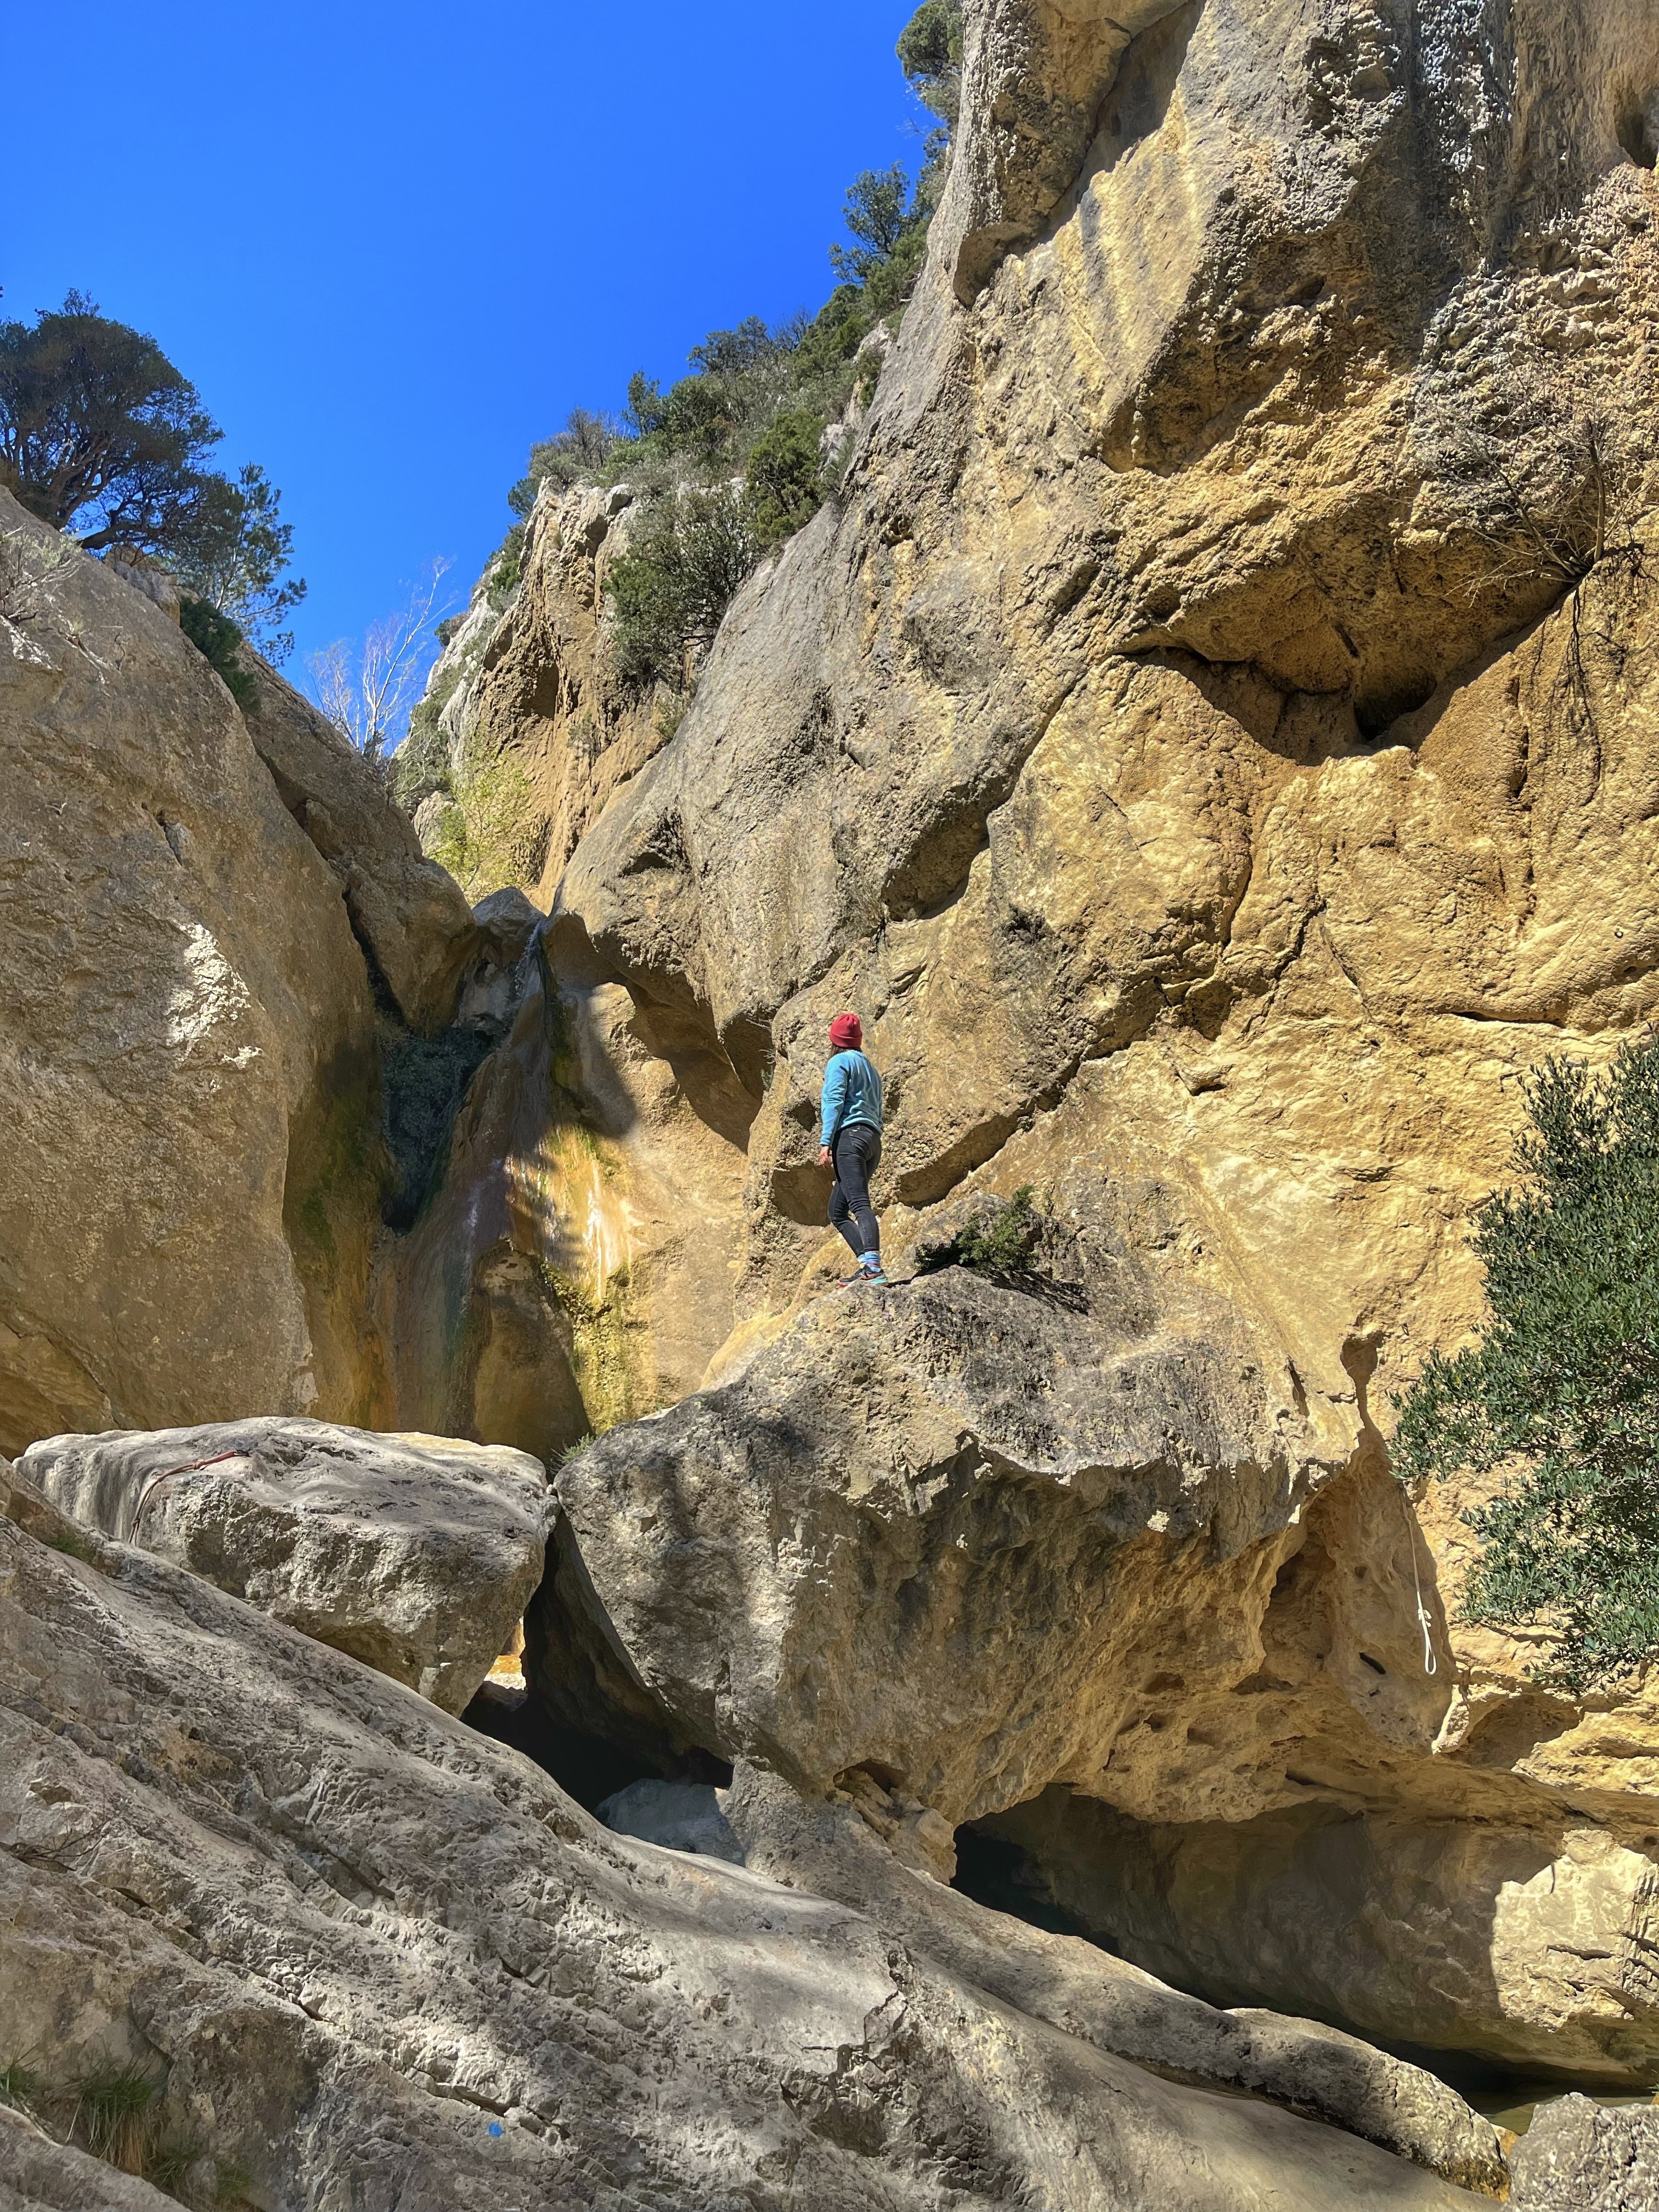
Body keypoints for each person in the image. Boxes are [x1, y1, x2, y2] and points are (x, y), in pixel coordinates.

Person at [819, 1012, 886, 1285]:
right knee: (837, 1212)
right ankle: (866, 1265)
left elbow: (834, 1101)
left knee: (859, 1204)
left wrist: (826, 1141)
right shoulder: (871, 1069)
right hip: (872, 1140)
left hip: (849, 1138)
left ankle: (874, 1269)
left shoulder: (838, 1062)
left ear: (835, 1040)